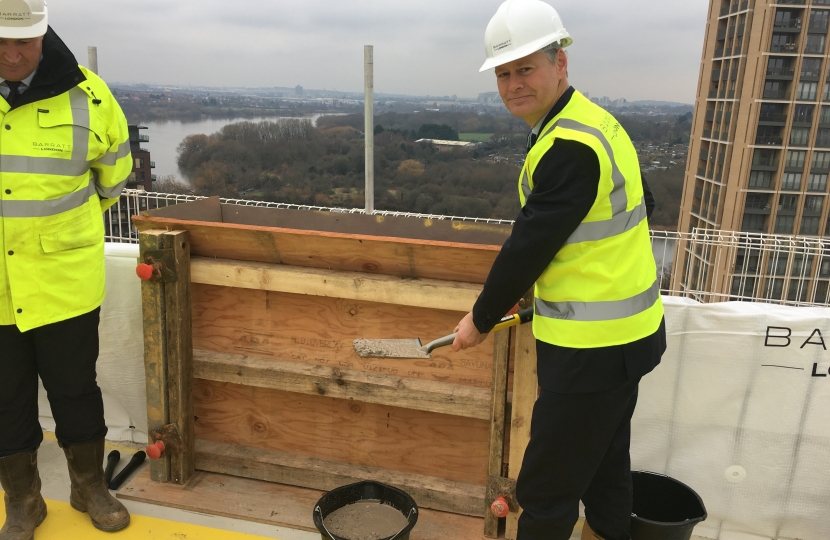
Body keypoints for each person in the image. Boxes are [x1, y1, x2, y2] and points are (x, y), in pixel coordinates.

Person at [452, 1, 666, 539]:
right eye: (504, 73)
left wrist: (480, 318)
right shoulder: (593, 122)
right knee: (605, 473)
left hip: (590, 353)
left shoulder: (569, 146)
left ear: (560, 64)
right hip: (628, 338)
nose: (513, 83)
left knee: (545, 493)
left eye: (526, 68)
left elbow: (530, 244)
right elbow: (624, 215)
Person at [0, 0, 133, 538]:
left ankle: (88, 487)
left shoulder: (90, 97)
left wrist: (56, 233)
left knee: (75, 390)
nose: (10, 55)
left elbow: (114, 175)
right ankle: (24, 502)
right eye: (0, 43)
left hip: (63, 283)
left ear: (43, 36)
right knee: (5, 397)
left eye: (22, 44)